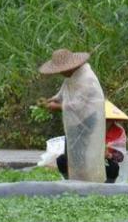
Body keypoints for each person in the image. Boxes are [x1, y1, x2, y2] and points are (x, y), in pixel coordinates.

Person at [40, 48, 106, 183]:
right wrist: (51, 100)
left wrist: (56, 107)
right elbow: (62, 93)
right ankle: (75, 180)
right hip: (76, 121)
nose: (61, 73)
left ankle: (86, 181)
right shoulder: (72, 77)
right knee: (72, 155)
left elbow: (77, 105)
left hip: (87, 120)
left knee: (82, 154)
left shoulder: (86, 78)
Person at [56, 99, 128, 183]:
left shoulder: (118, 132)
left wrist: (109, 155)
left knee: (114, 167)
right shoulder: (86, 128)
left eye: (108, 120)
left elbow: (120, 156)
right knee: (61, 160)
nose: (105, 122)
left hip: (103, 163)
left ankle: (107, 187)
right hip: (84, 161)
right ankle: (70, 181)